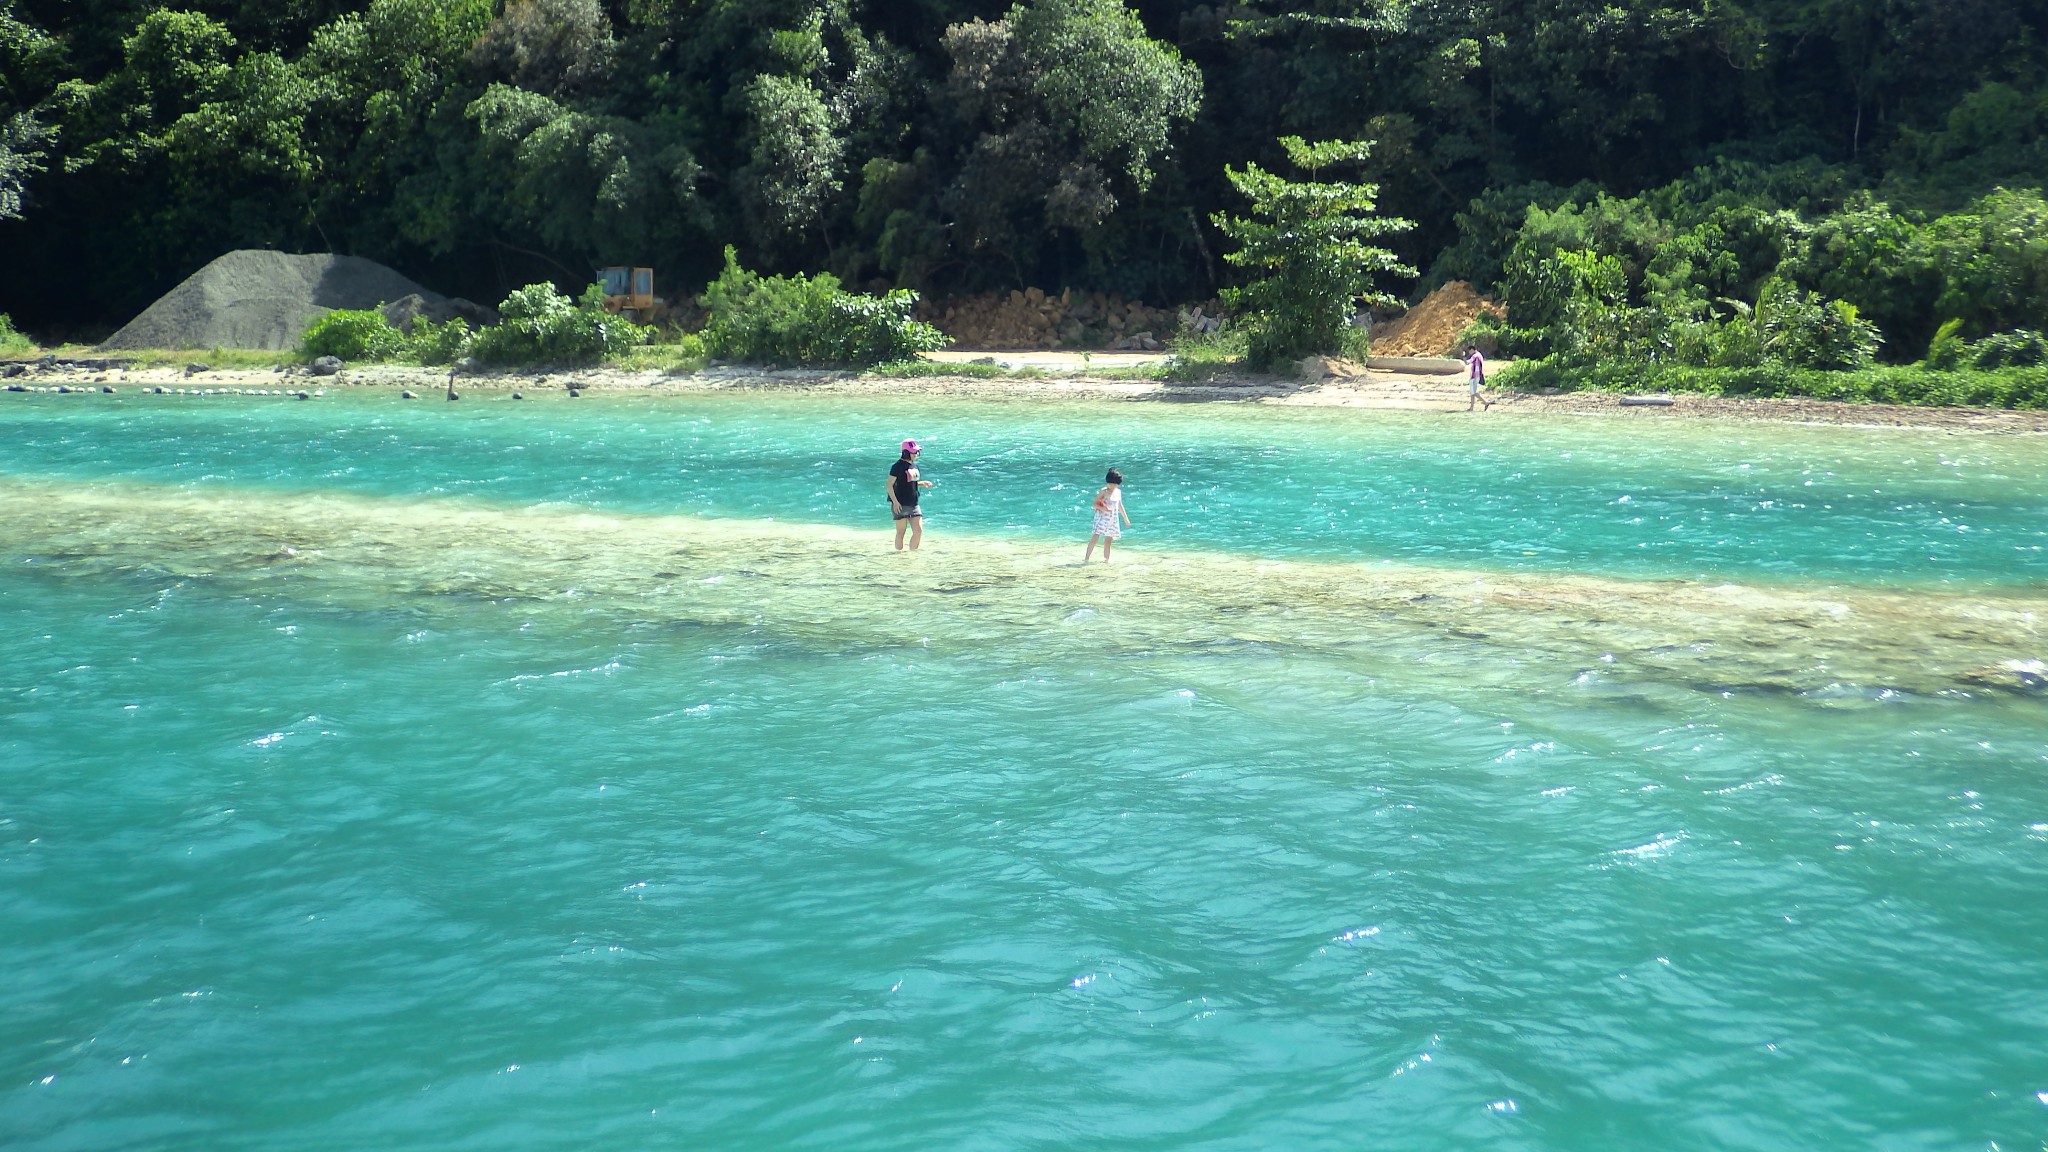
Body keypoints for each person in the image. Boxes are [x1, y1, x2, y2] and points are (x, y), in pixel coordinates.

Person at [887, 439, 932, 551]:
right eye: (914, 452)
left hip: (913, 503)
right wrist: (895, 503)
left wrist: (922, 483)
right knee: (901, 532)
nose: (916, 454)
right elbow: (889, 485)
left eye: (917, 452)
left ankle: (911, 555)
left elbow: (910, 482)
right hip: (900, 504)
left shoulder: (914, 466)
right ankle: (898, 556)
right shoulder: (897, 467)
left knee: (918, 531)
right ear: (906, 452)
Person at [1083, 468, 1131, 562]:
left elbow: (1120, 505)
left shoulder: (1118, 492)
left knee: (1108, 540)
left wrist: (1125, 518)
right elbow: (1094, 505)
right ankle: (1086, 558)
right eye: (1110, 483)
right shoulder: (1104, 491)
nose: (1112, 486)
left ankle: (1106, 560)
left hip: (1112, 519)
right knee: (1095, 538)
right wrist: (1103, 508)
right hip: (1101, 518)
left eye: (1115, 484)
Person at [1465, 344, 1491, 411]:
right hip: (1478, 375)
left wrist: (1464, 359)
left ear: (1472, 350)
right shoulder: (1479, 355)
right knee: (1473, 392)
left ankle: (1485, 402)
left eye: (1469, 351)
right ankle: (1472, 407)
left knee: (1473, 392)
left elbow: (1468, 362)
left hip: (1474, 376)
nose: (1469, 353)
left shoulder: (1475, 356)